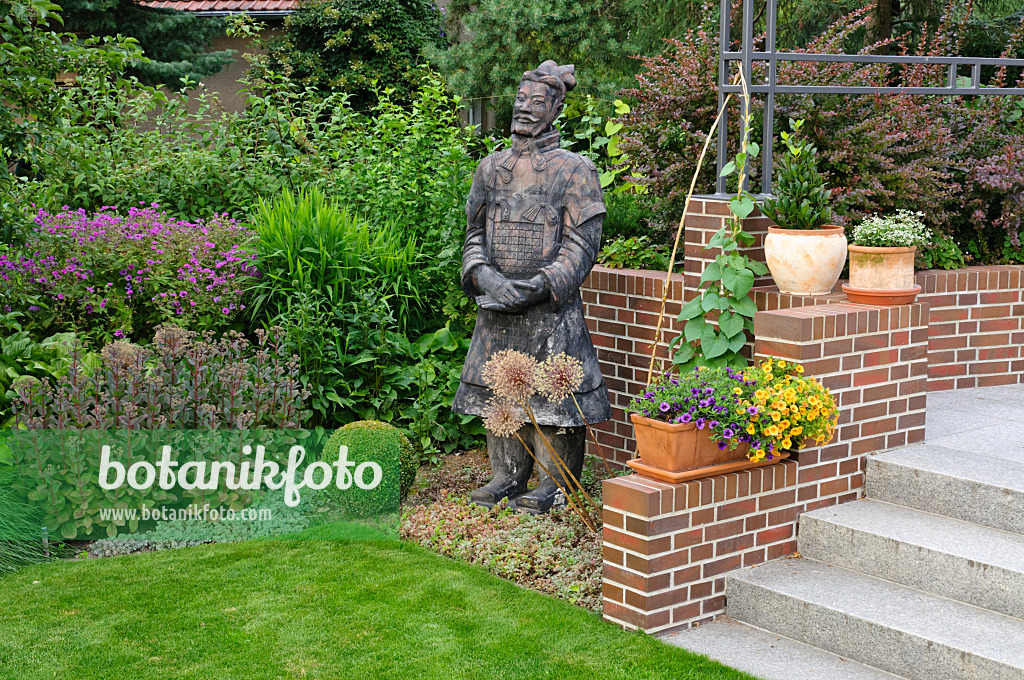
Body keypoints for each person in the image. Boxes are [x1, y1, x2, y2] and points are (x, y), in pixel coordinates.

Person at [452, 60, 612, 513]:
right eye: (520, 100)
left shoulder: (576, 170)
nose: (524, 108)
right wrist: (486, 276)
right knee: (499, 390)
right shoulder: (489, 169)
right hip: (497, 306)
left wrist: (540, 285)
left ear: (556, 109)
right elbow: (473, 236)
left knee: (554, 396)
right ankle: (506, 475)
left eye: (537, 102)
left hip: (551, 313)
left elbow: (583, 245)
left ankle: (554, 483)